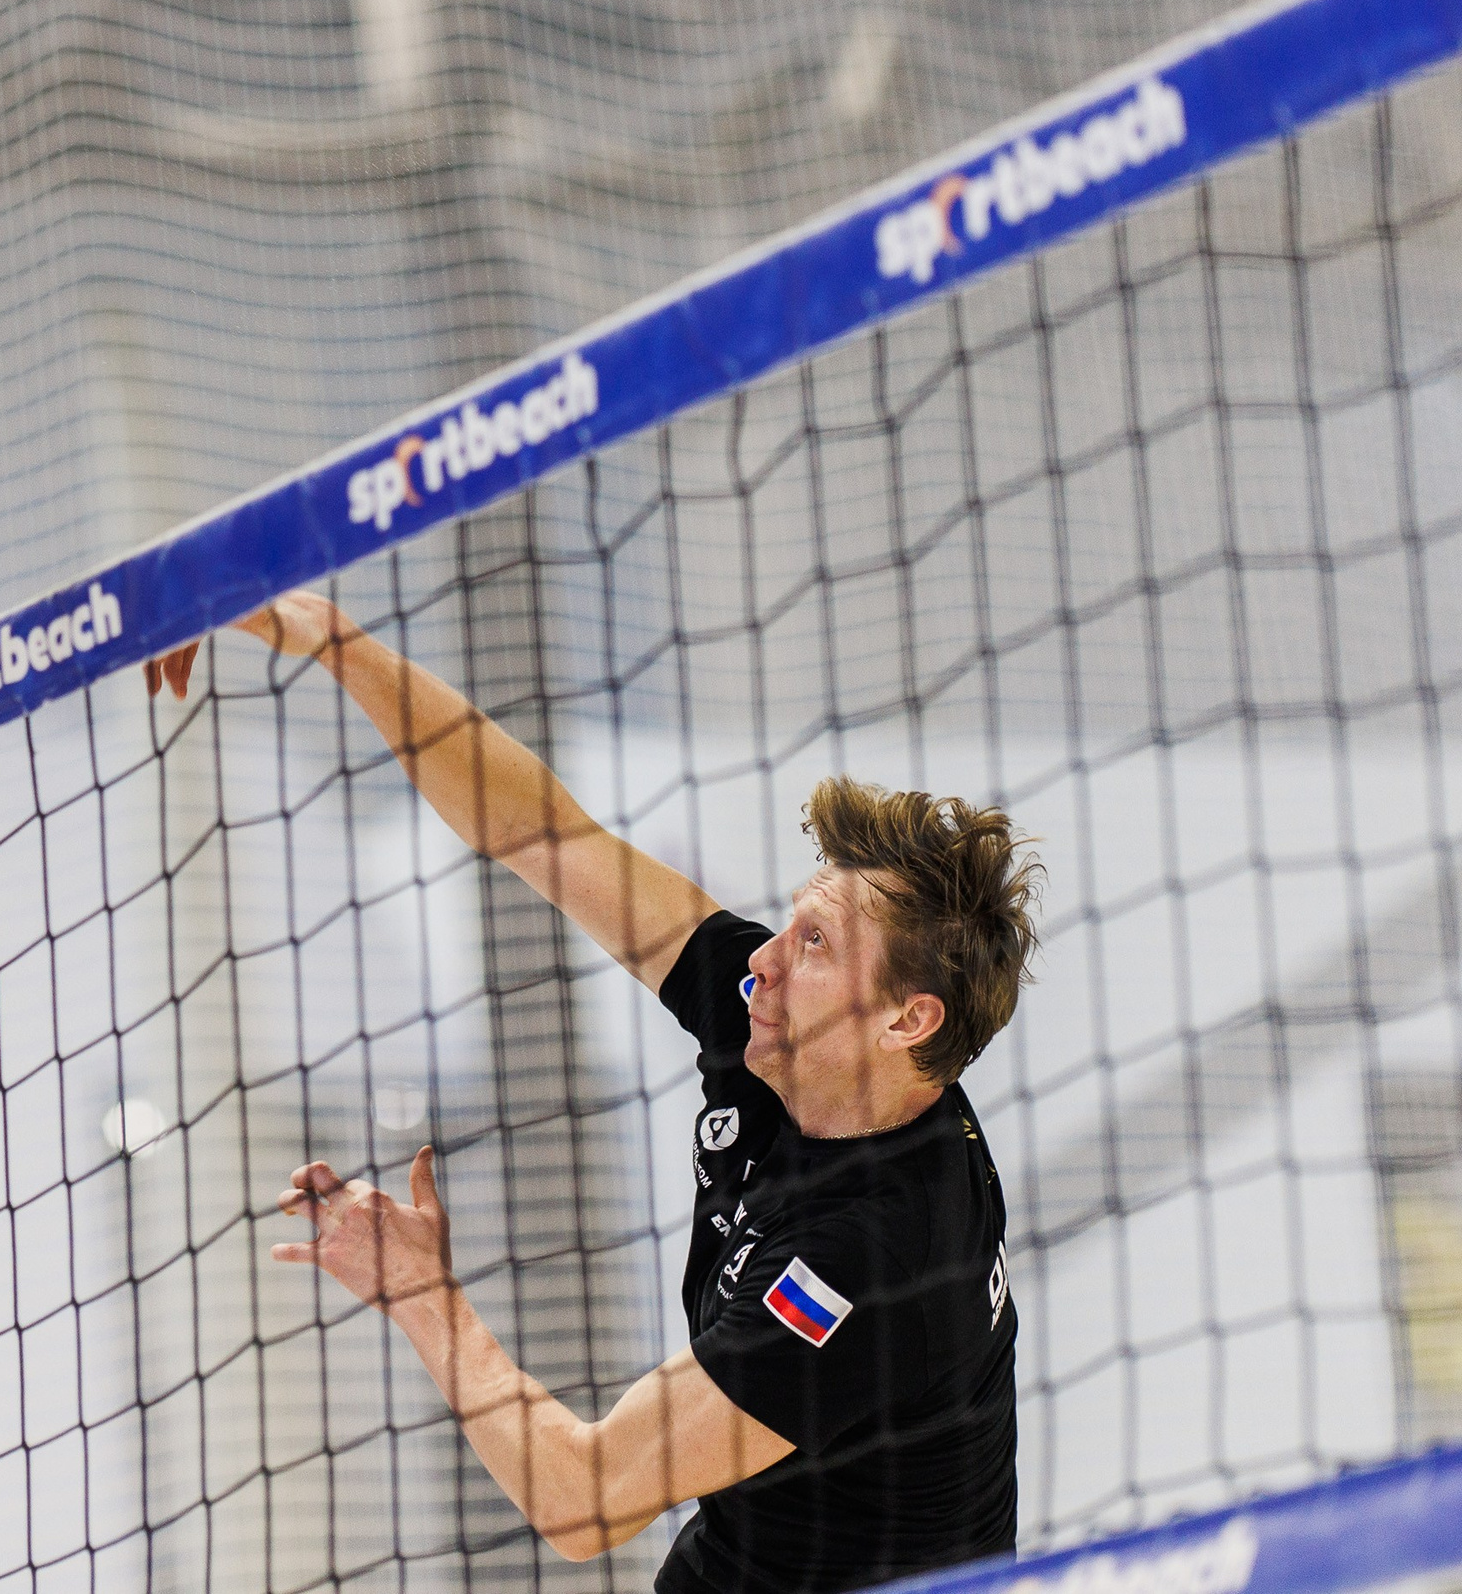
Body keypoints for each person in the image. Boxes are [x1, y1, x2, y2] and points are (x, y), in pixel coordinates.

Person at [145, 590, 1042, 1594]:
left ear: (906, 1020)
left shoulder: (874, 1255)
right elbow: (537, 830)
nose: (766, 960)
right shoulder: (775, 1018)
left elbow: (583, 1497)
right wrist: (322, 633)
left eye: (817, 942)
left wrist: (420, 1293)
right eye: (792, 922)